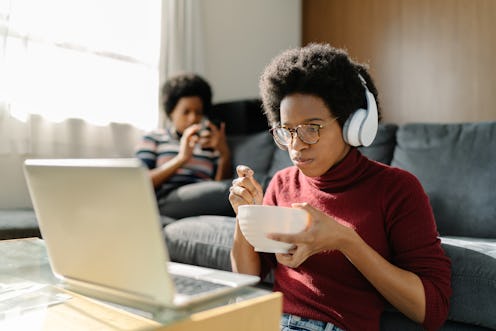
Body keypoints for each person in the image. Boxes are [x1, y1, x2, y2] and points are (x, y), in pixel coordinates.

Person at [228, 43, 451, 331]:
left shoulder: (397, 189)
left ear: (352, 125)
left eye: (312, 128)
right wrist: (244, 217)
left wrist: (346, 241)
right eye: (287, 130)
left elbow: (431, 309)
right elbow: (248, 280)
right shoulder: (283, 183)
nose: (295, 146)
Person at [136, 73, 232, 217]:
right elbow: (139, 182)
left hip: (204, 199)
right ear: (171, 112)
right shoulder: (154, 138)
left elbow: (216, 187)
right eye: (186, 112)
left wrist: (224, 154)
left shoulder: (209, 144)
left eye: (198, 112)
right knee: (237, 190)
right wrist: (182, 158)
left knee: (231, 193)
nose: (193, 118)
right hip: (167, 198)